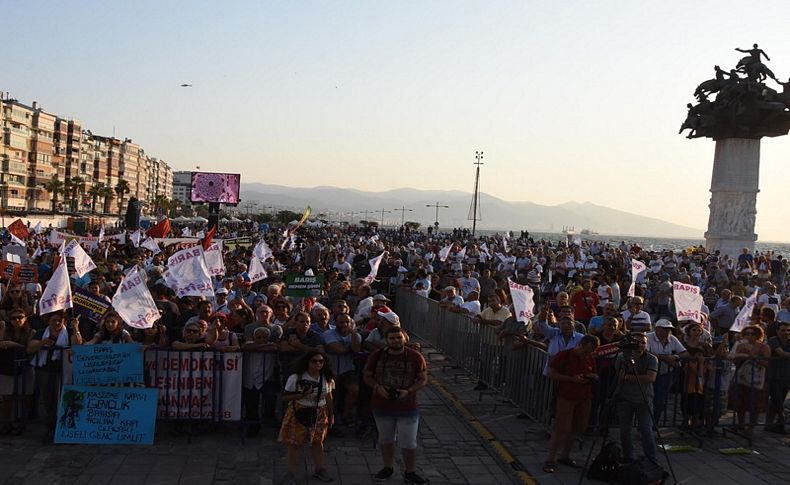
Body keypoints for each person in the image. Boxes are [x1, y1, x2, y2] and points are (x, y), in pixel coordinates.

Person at [364, 327, 429, 484]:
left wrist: (409, 391)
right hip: (381, 404)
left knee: (409, 441)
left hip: (407, 405)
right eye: (392, 338)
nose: (395, 341)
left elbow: (423, 379)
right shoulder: (377, 356)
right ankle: (388, 467)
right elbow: (367, 376)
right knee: (385, 439)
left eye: (398, 338)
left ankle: (410, 471)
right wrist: (378, 388)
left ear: (404, 338)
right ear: (386, 340)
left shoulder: (415, 357)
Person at [543, 335, 600, 473]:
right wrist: (570, 379)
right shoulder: (565, 355)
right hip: (566, 397)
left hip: (584, 397)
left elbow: (594, 372)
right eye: (586, 350)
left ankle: (565, 455)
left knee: (576, 428)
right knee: (561, 429)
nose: (587, 354)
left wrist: (592, 377)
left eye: (590, 351)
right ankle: (550, 459)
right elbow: (551, 373)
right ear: (581, 344)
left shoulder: (589, 357)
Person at [279, 349, 335, 484]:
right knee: (294, 444)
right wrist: (301, 395)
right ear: (307, 362)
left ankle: (319, 469)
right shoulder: (296, 378)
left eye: (321, 361)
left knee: (317, 442)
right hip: (300, 410)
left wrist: (331, 414)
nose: (318, 364)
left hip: (319, 412)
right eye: (314, 361)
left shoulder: (326, 378)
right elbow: (285, 397)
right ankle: (290, 473)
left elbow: (329, 396)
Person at [615, 332, 659, 464]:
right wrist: (638, 377)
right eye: (637, 342)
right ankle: (628, 457)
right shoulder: (622, 357)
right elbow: (620, 376)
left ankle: (651, 459)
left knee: (646, 430)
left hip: (644, 399)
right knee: (625, 431)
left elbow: (650, 378)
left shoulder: (652, 359)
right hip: (624, 398)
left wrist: (629, 377)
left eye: (643, 343)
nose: (640, 345)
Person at [729, 325, 771, 437]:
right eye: (747, 333)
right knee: (740, 402)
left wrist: (751, 354)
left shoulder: (764, 347)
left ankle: (751, 427)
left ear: (758, 335)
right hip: (742, 378)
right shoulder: (741, 346)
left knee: (756, 404)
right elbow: (735, 361)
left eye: (753, 334)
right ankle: (740, 424)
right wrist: (741, 355)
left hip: (757, 379)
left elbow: (767, 363)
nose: (750, 336)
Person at [0, 308, 34, 435]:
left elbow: (29, 348)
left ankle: (20, 422)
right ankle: (6, 423)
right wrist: (3, 330)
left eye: (20, 317)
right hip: (7, 367)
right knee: (7, 397)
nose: (17, 320)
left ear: (25, 318)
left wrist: (13, 344)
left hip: (24, 367)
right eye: (13, 318)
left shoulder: (31, 332)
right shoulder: (6, 331)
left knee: (24, 396)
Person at [766, 321, 790, 433]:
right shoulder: (773, 340)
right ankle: (781, 422)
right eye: (783, 330)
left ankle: (769, 424)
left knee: (776, 401)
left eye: (788, 330)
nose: (786, 332)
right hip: (774, 375)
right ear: (777, 331)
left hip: (786, 375)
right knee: (777, 400)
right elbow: (780, 353)